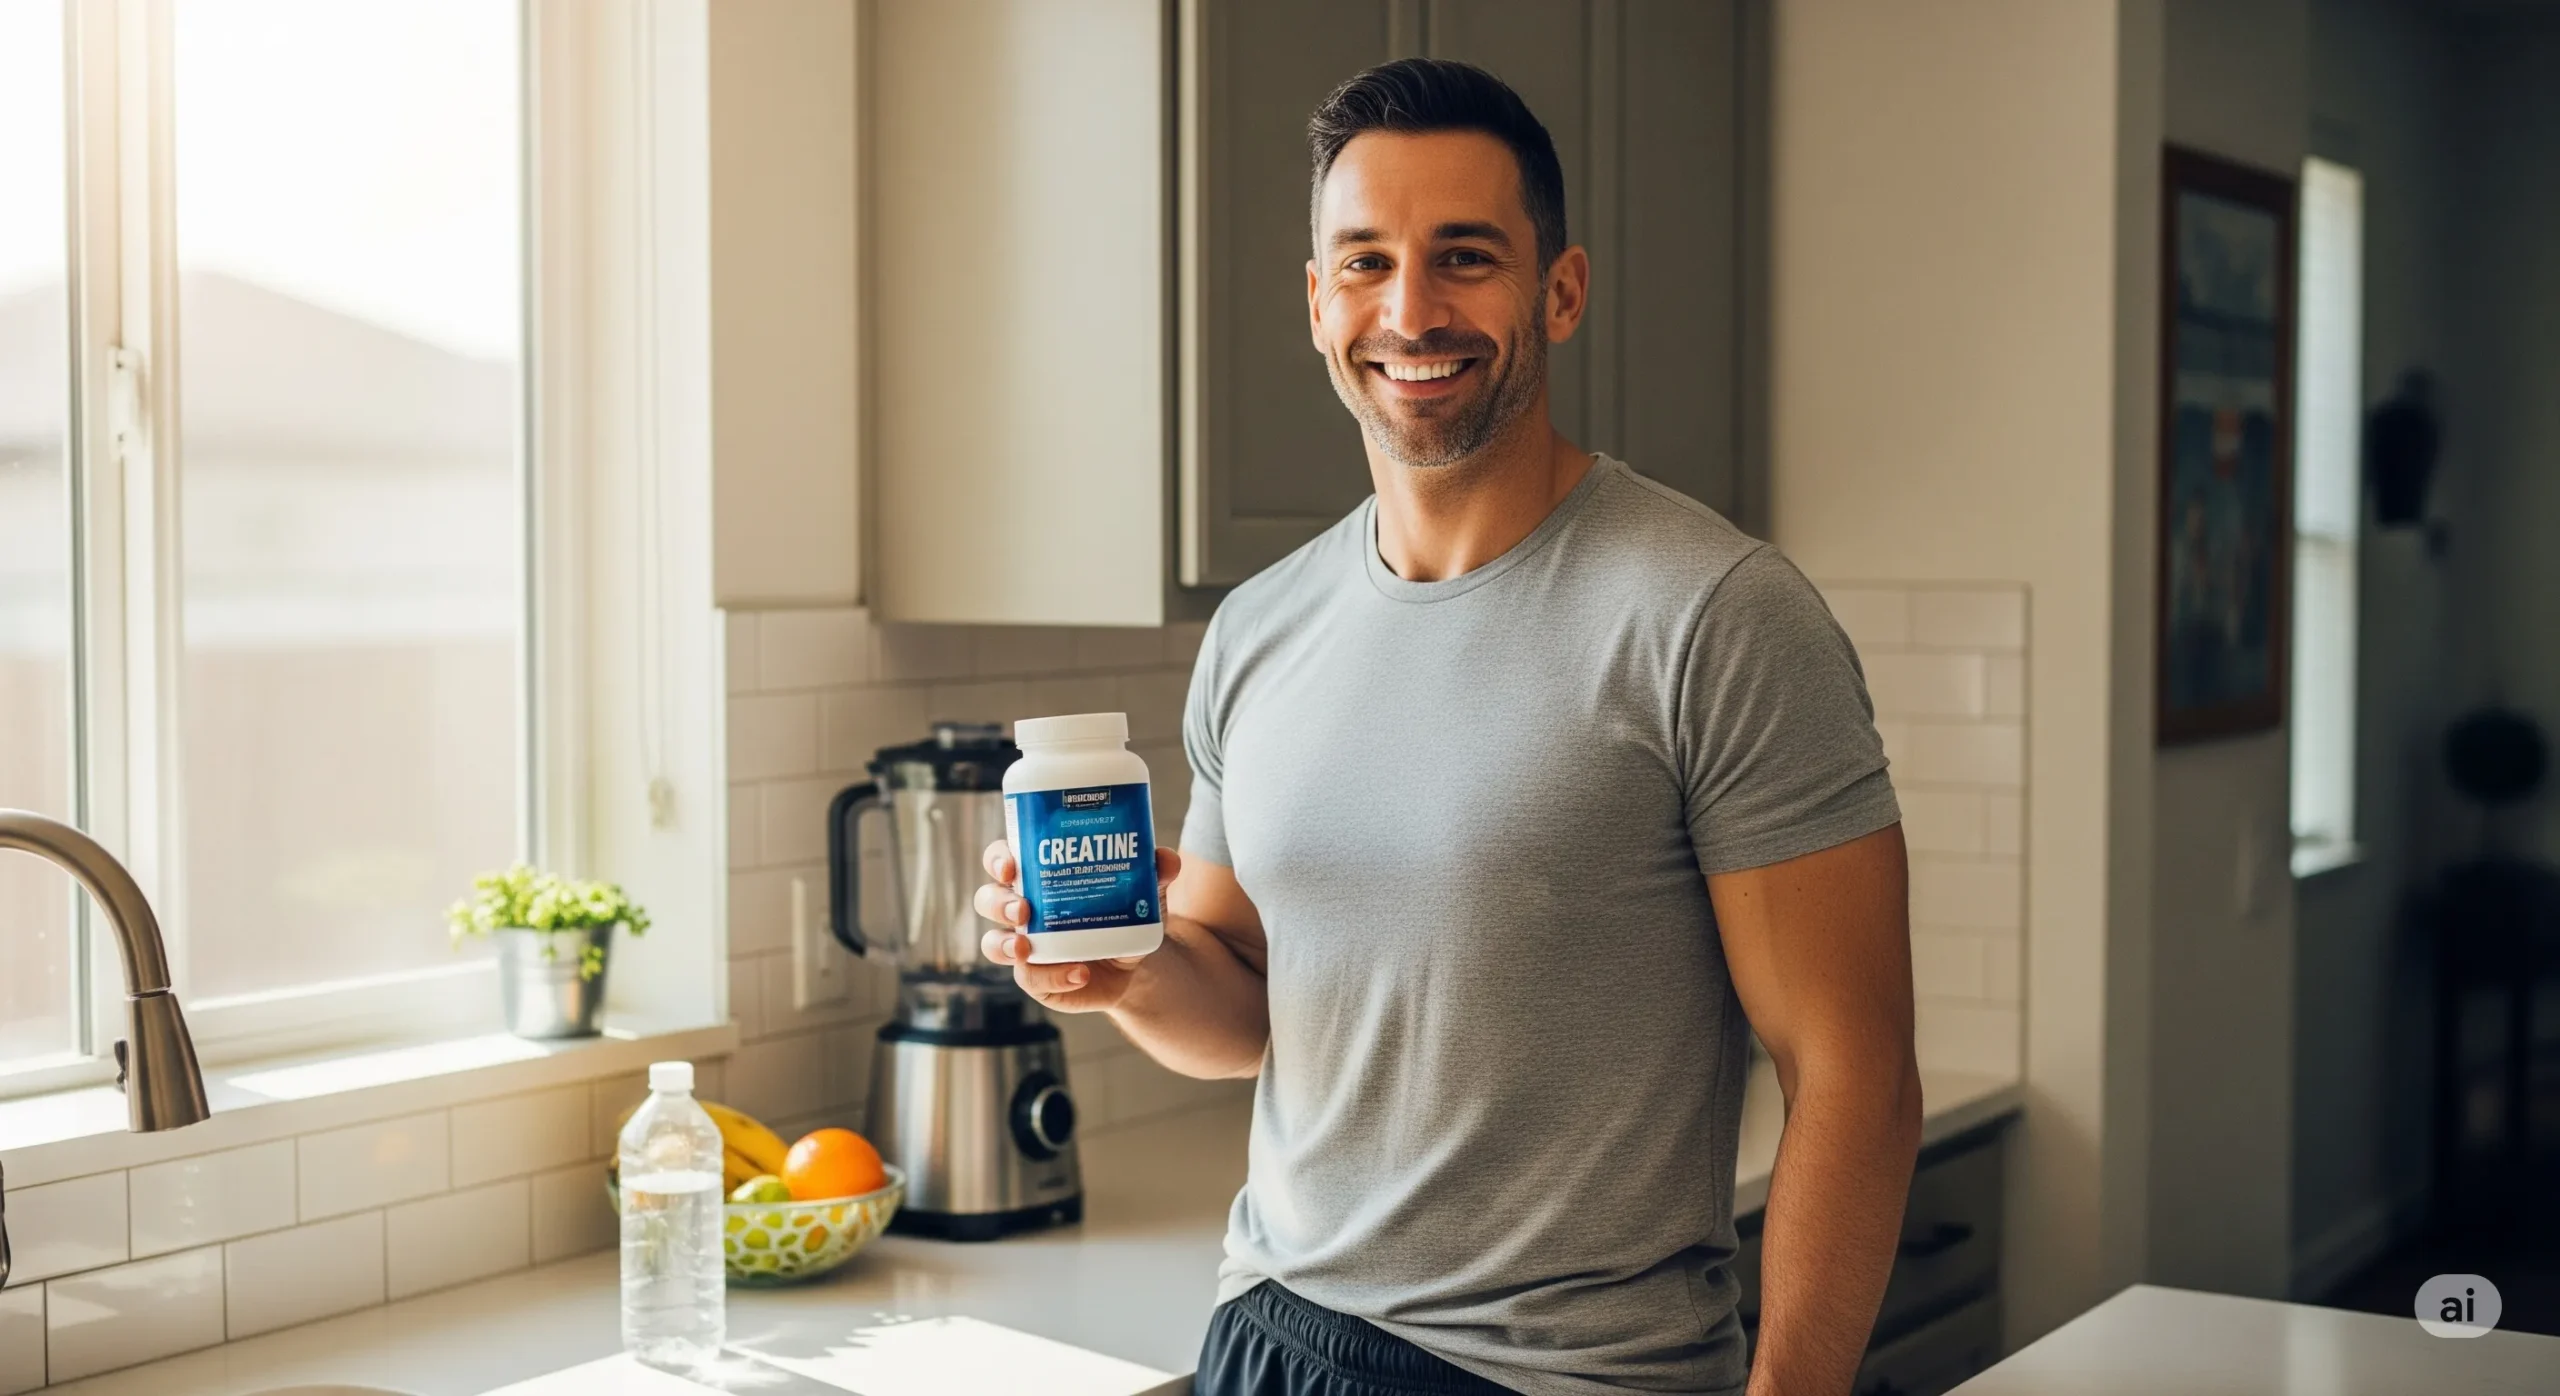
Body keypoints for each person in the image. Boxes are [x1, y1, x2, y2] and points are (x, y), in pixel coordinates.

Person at [977, 58, 1920, 1396]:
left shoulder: (1711, 615)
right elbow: (1246, 1005)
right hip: (1270, 1336)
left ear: (1563, 290)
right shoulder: (1257, 630)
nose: (1409, 309)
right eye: (1364, 263)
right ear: (1317, 304)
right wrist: (1122, 969)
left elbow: (1857, 1074)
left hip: (1557, 1378)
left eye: (1463, 256)